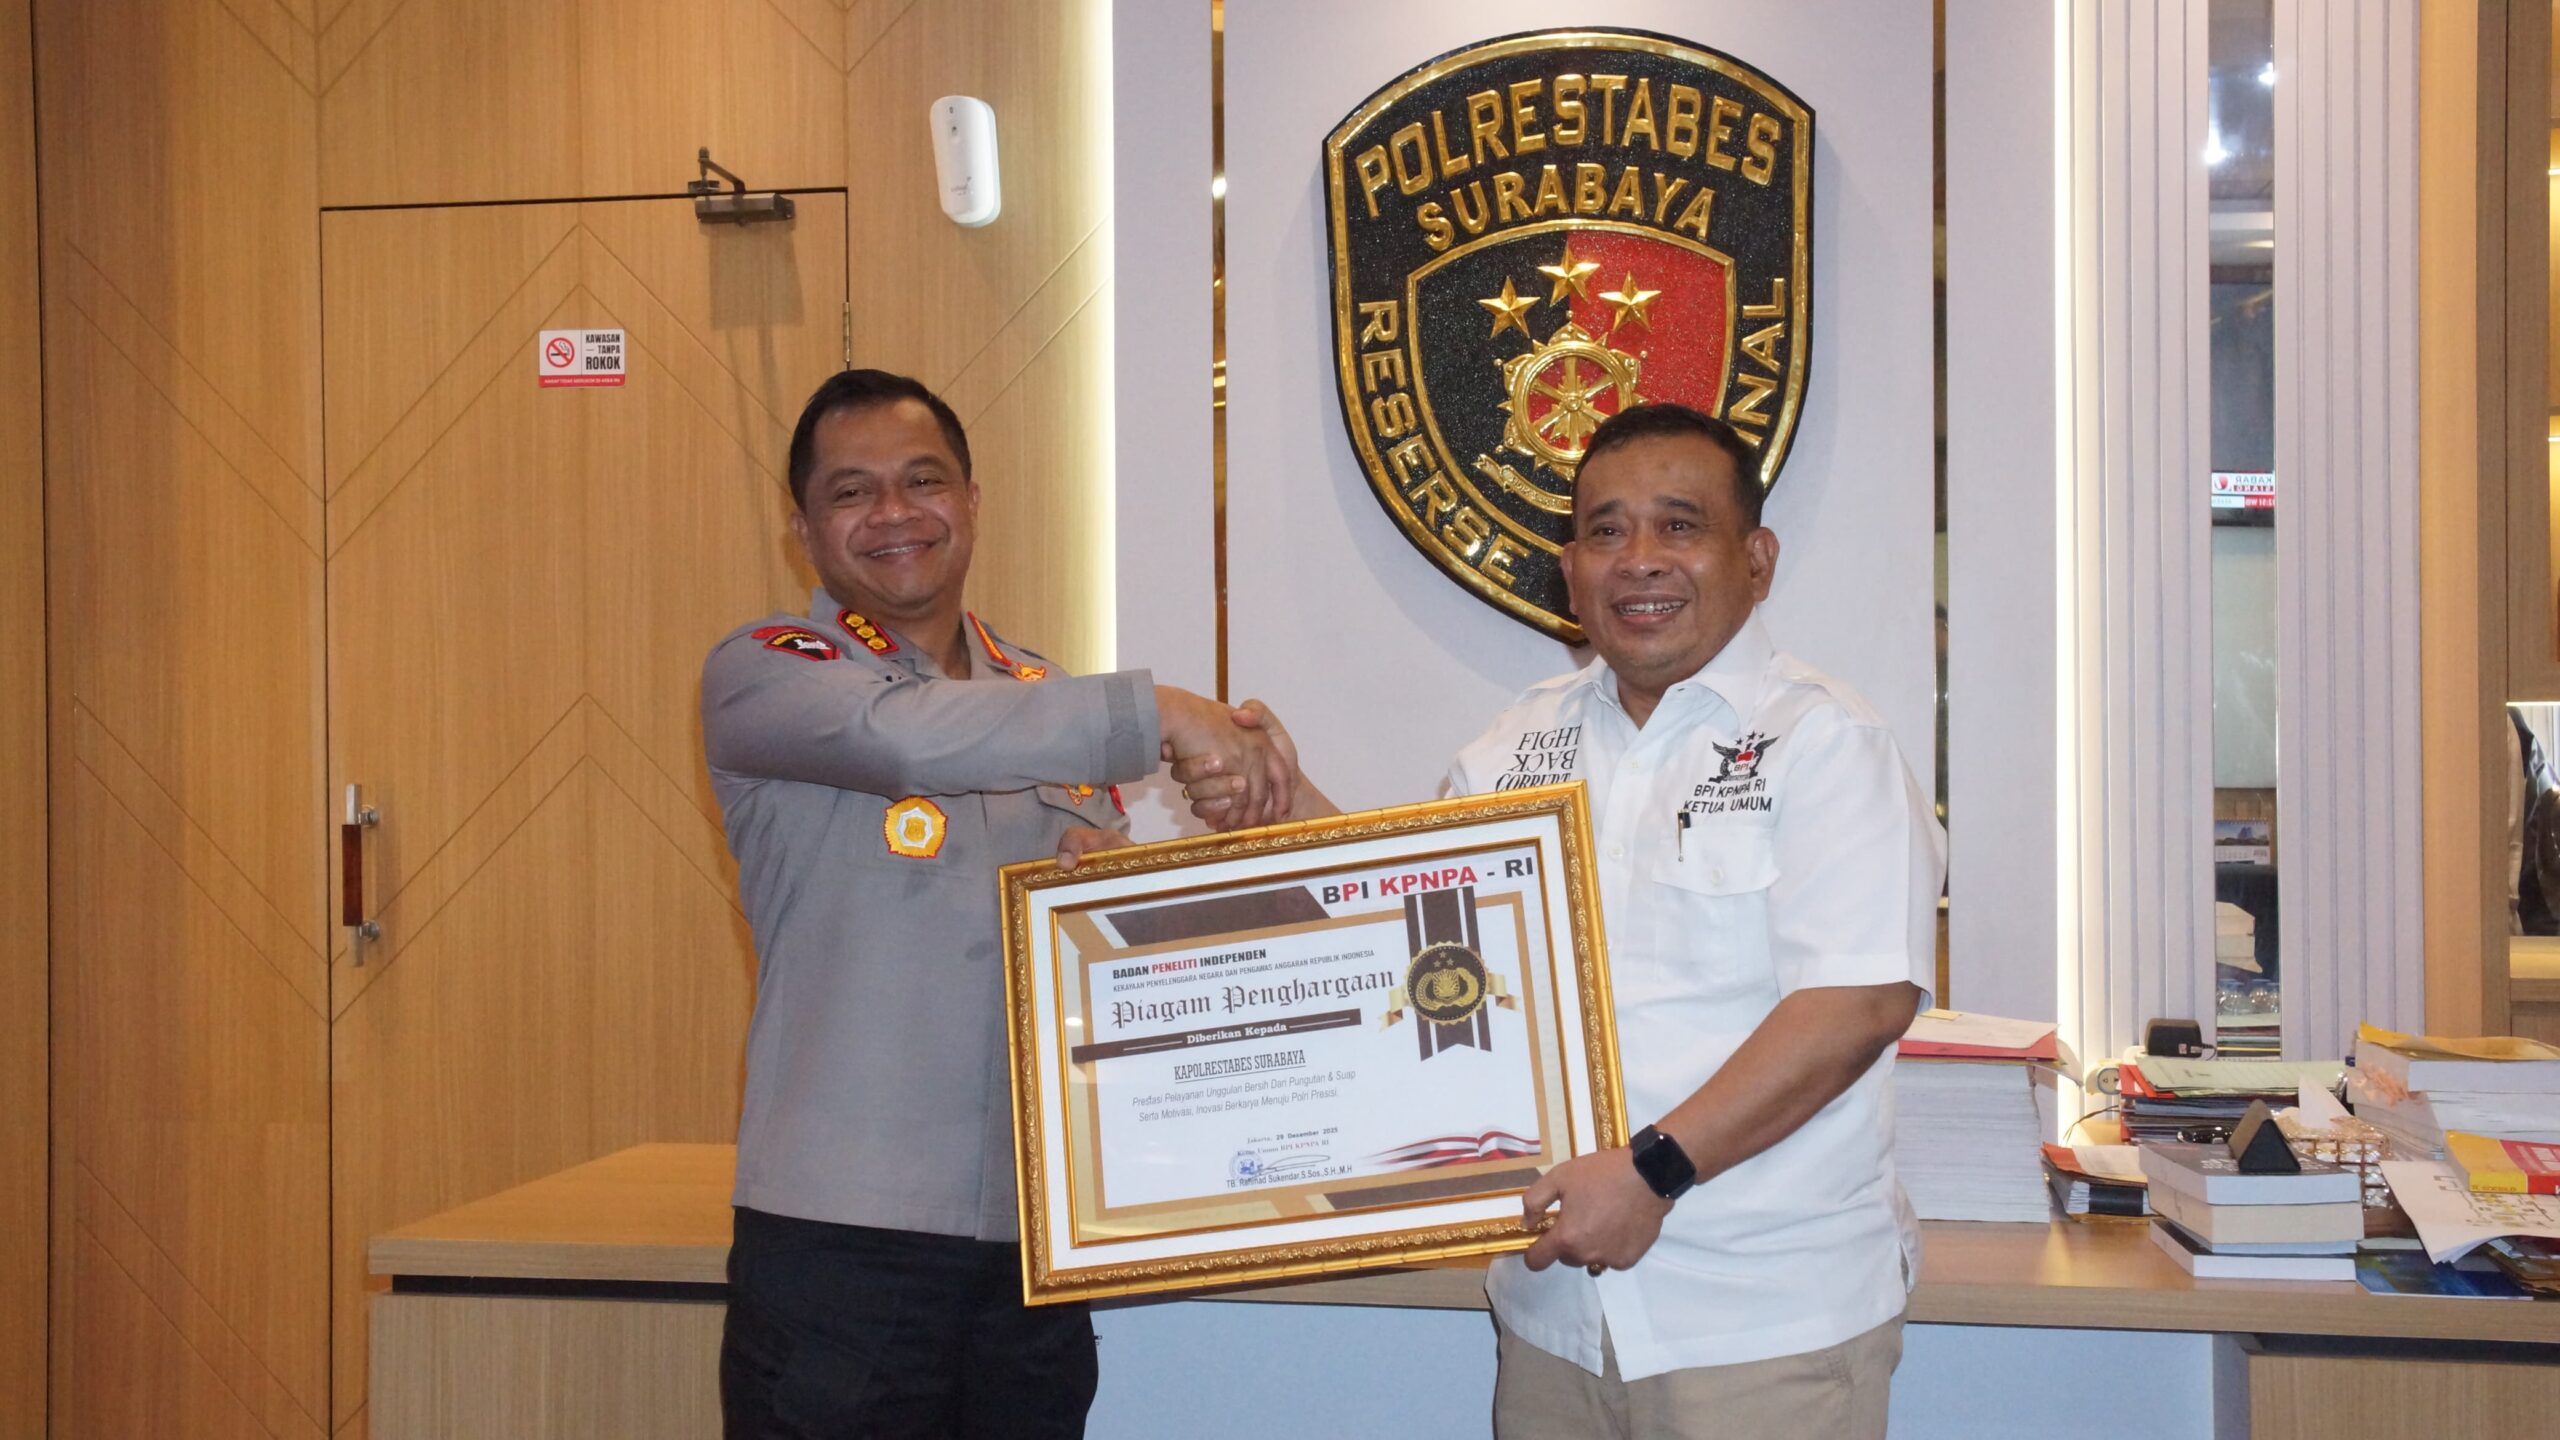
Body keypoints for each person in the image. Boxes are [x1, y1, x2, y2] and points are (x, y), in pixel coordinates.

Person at [1179, 402, 1942, 1439]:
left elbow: (1855, 1004)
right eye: (1604, 530)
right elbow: (1412, 932)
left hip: (1757, 1324)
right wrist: (1281, 808)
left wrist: (1650, 1174)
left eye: (1679, 526)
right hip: (1553, 1316)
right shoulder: (1514, 745)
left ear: (1755, 560)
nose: (1639, 558)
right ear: (1570, 569)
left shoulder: (1825, 741)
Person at [702, 368, 1293, 1438]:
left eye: (924, 480)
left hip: (1033, 1240)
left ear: (971, 500)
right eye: (852, 491)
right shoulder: (768, 672)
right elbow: (904, 738)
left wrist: (1166, 851)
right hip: (843, 1240)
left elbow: (1098, 953)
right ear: (802, 528)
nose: (895, 512)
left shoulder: (1043, 693)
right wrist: (1161, 713)